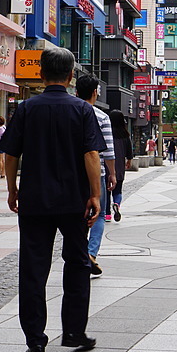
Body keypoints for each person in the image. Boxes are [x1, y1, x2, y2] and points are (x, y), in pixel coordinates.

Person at [0, 47, 105, 352]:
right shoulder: (83, 111)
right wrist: (96, 195)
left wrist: (12, 190)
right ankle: (73, 332)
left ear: (41, 75)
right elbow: (91, 155)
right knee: (77, 264)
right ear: (71, 77)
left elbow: (11, 154)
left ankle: (36, 342)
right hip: (74, 202)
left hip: (34, 200)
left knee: (33, 269)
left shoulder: (27, 109)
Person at [76, 73, 117, 274]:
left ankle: (79, 253)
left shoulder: (70, 112)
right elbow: (108, 150)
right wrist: (112, 173)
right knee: (99, 214)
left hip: (73, 173)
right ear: (95, 92)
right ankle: (91, 253)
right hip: (97, 172)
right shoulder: (102, 116)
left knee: (77, 214)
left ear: (76, 91)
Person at [108, 109, 133, 222]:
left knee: (106, 190)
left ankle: (107, 215)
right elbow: (129, 150)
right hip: (119, 166)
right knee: (118, 190)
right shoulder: (125, 134)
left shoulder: (107, 132)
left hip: (107, 165)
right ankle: (117, 204)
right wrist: (129, 160)